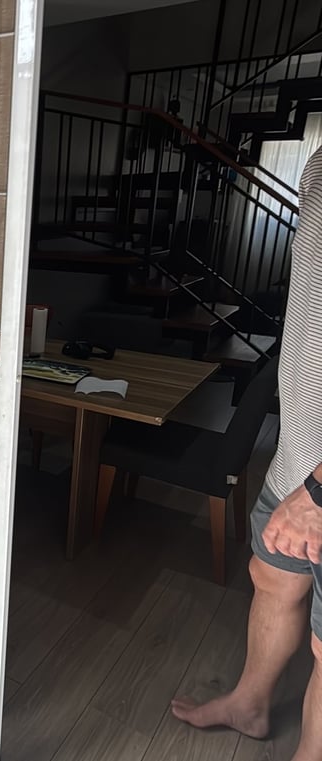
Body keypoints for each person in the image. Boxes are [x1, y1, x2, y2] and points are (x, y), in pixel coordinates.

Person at [170, 144, 322, 760]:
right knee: (273, 576)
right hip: (299, 453)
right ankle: (251, 705)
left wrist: (317, 495)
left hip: (317, 485)